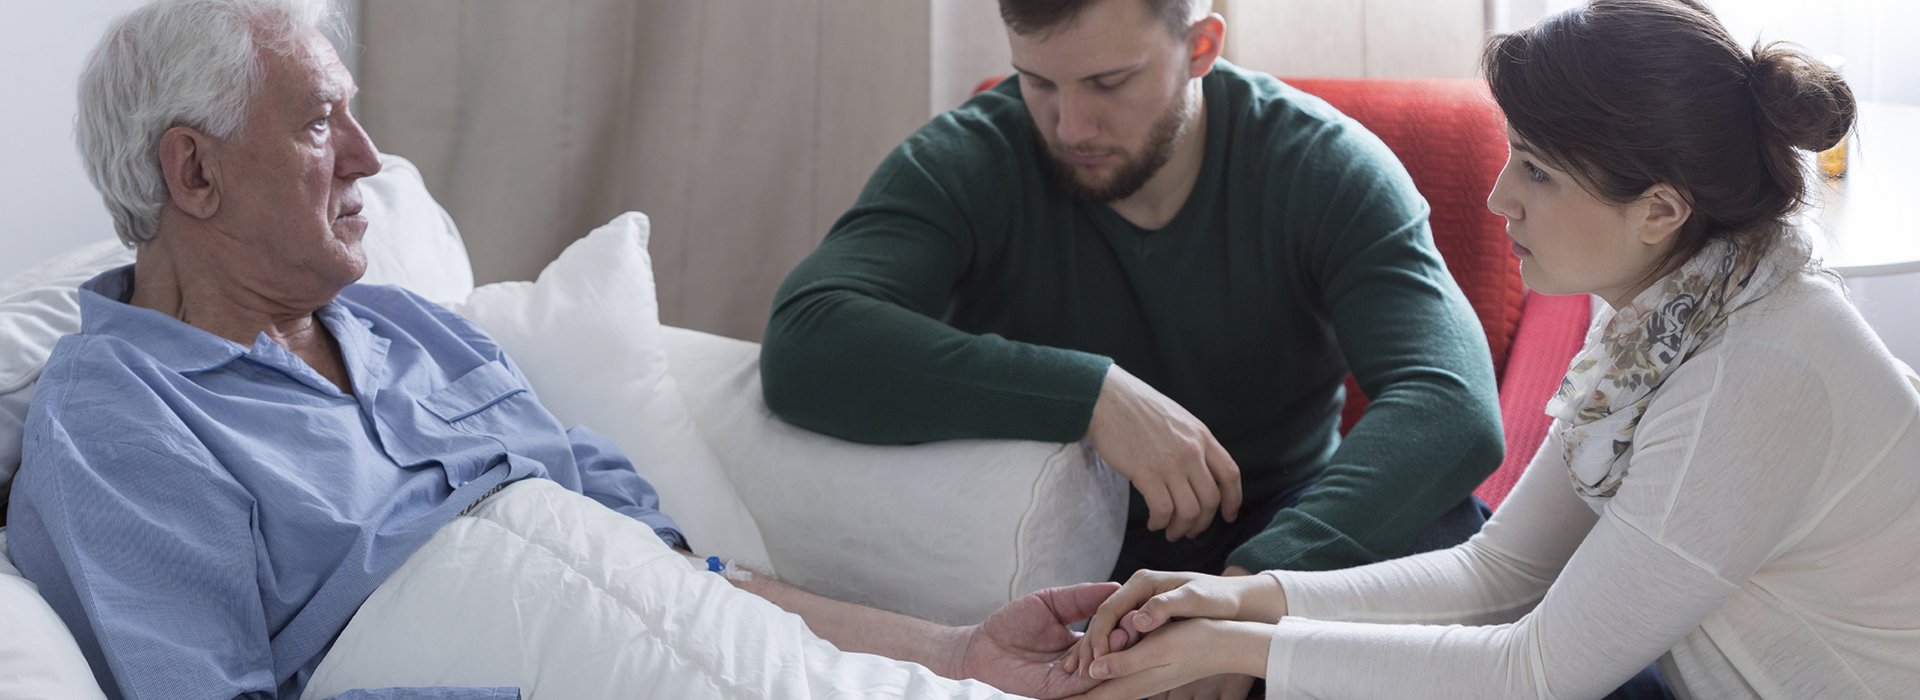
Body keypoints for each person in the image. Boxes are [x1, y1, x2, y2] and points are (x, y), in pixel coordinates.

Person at [5, 1, 1119, 698]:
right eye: (317, 123)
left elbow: (683, 580)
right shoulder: (118, 420)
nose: (369, 158)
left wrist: (952, 648)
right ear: (193, 174)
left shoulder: (415, 331)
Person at [1061, 1, 1920, 698]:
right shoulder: (1671, 312)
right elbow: (1497, 572)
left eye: (1538, 171)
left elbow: (1536, 670)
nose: (1498, 196)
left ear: (1661, 209)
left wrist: (1237, 649)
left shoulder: (1758, 372)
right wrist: (1240, 596)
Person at [762, 0, 1501, 673]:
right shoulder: (972, 155)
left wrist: (1239, 602)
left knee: (1448, 533)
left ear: (1203, 47)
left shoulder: (1325, 164)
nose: (1069, 126)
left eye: (1109, 83)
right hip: (1048, 556)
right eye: (1039, 83)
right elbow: (806, 337)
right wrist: (1092, 394)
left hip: (1285, 532)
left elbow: (1453, 404)